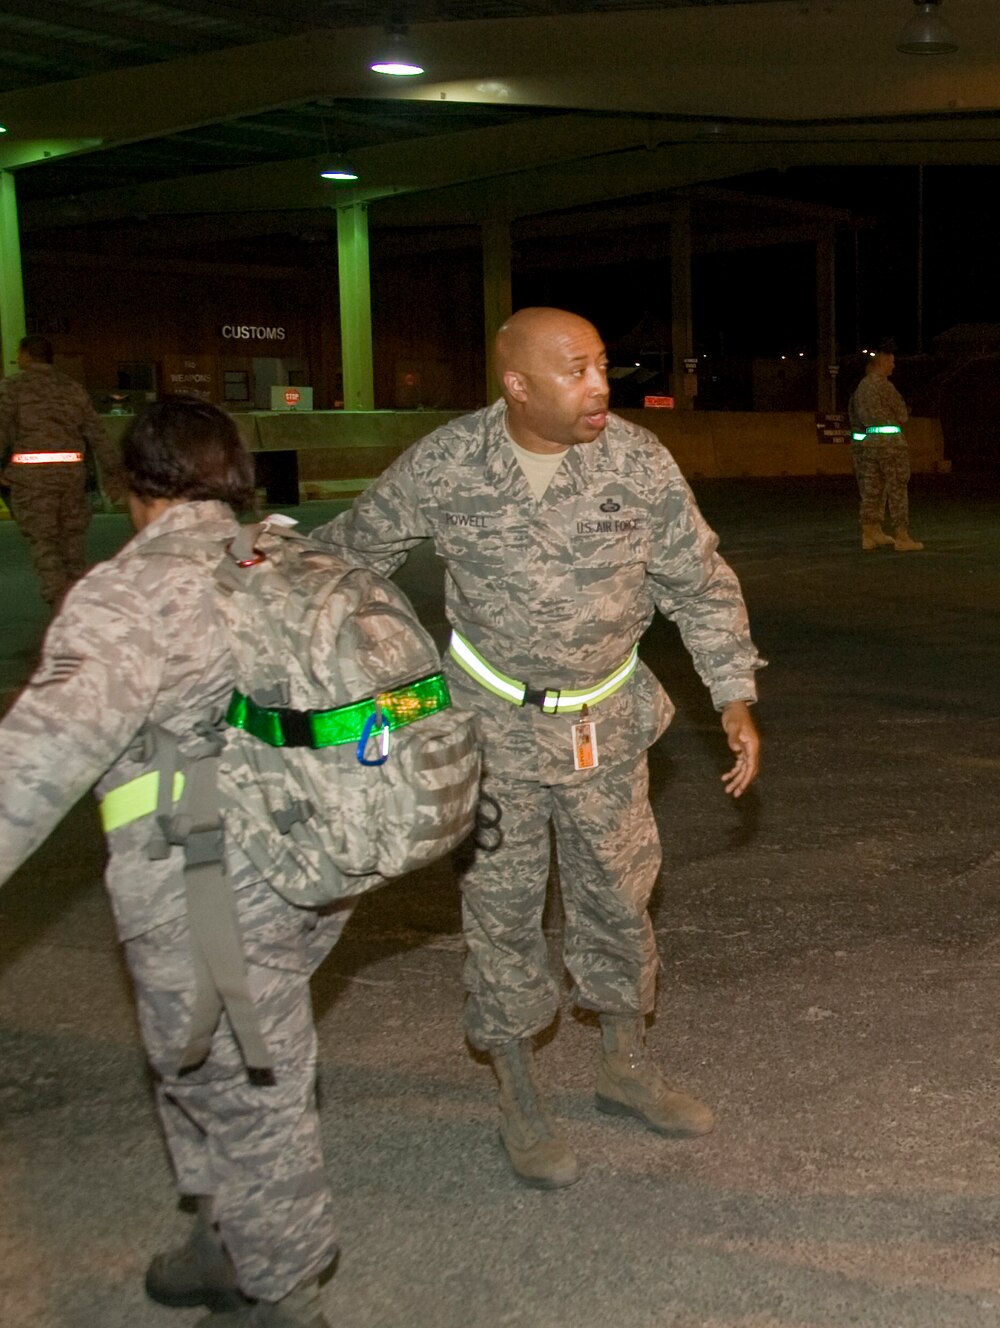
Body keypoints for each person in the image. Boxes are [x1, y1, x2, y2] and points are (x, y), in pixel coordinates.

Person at [309, 307, 765, 1189]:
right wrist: (253, 562)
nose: (600, 386)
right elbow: (353, 555)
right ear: (516, 384)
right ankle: (518, 1087)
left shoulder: (637, 463)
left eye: (602, 366)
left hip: (607, 727)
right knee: (503, 910)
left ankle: (625, 1063)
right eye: (577, 371)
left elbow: (699, 580)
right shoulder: (447, 462)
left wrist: (734, 692)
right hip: (491, 733)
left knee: (619, 895)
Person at [0, 397, 343, 1327]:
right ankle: (217, 1236)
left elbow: (33, 762)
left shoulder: (130, 594)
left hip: (203, 879)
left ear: (129, 485)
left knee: (246, 1083)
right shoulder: (295, 559)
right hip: (320, 860)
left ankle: (282, 1291)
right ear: (235, 471)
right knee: (206, 1062)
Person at [0, 334, 121, 608]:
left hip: (32, 480)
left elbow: (2, 430)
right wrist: (114, 473)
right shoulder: (72, 387)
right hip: (71, 478)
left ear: (26, 355)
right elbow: (97, 433)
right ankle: (77, 600)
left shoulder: (13, 388)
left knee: (45, 544)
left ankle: (60, 607)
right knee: (72, 544)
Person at [848, 349, 921, 551]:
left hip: (870, 443)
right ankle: (902, 536)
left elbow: (855, 416)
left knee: (872, 489)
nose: (894, 366)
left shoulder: (861, 388)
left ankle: (870, 533)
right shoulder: (885, 386)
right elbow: (902, 414)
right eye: (891, 362)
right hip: (890, 443)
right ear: (882, 363)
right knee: (897, 488)